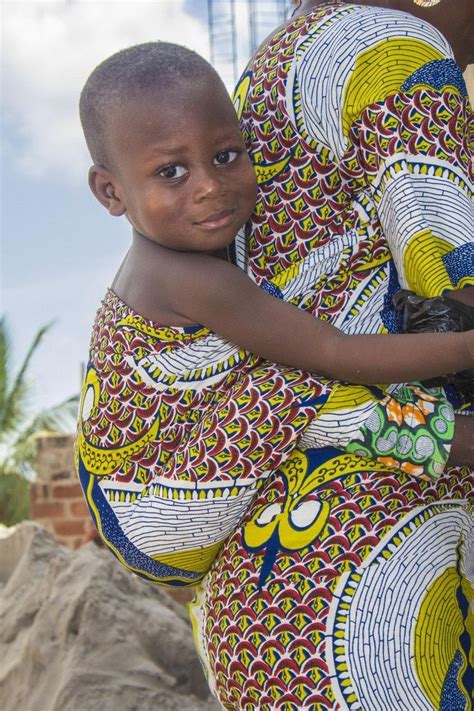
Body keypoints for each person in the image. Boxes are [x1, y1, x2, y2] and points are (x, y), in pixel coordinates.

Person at [75, 39, 474, 591]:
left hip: (167, 480)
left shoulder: (190, 256)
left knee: (287, 383)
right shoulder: (188, 278)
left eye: (225, 156)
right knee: (298, 385)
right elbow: (338, 352)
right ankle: (456, 442)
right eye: (171, 172)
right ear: (109, 191)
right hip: (150, 514)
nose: (210, 186)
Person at [186, 1, 473, 709]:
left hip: (276, 588)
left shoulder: (263, 75)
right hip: (375, 574)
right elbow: (459, 280)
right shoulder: (395, 48)